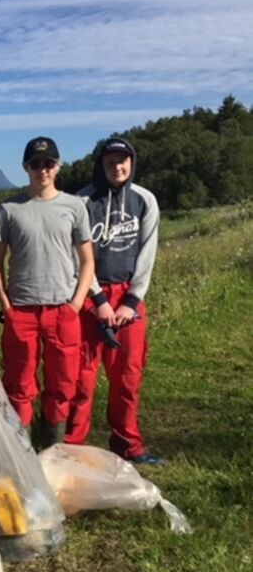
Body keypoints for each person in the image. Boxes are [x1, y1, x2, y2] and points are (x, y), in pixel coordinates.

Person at [65, 138, 164, 464]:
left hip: (128, 296)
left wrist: (132, 301)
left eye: (124, 161)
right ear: (101, 164)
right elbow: (77, 255)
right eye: (111, 162)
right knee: (82, 378)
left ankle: (128, 444)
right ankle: (72, 448)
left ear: (132, 162)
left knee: (128, 377)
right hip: (90, 295)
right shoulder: (81, 201)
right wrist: (98, 299)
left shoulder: (145, 200)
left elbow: (147, 254)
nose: (118, 167)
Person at [0, 137, 95, 447]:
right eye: (35, 164)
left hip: (62, 311)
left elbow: (88, 261)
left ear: (58, 165)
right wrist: (6, 306)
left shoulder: (74, 206)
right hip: (21, 311)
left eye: (48, 163)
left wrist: (75, 304)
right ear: (25, 167)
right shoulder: (9, 209)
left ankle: (53, 452)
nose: (42, 170)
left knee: (62, 386)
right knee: (19, 386)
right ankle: (22, 455)